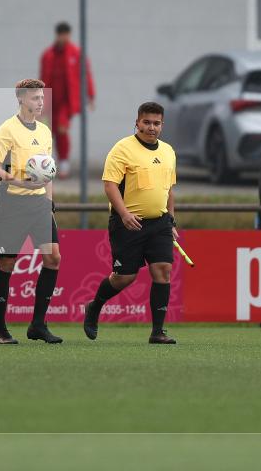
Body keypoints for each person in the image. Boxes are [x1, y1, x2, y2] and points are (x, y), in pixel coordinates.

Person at [83, 101, 179, 345]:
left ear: (162, 125)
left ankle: (158, 331)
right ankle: (95, 306)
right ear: (137, 122)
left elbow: (169, 190)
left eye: (156, 123)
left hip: (160, 224)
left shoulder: (168, 151)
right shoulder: (122, 149)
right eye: (146, 122)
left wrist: (171, 219)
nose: (151, 127)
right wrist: (124, 214)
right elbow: (110, 185)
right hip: (128, 223)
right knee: (125, 277)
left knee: (163, 271)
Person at [0, 79, 63, 345]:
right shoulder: (6, 131)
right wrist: (17, 181)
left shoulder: (44, 131)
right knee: (7, 263)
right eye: (34, 98)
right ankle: (0, 329)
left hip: (39, 205)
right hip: (13, 204)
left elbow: (48, 172)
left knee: (53, 258)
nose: (40, 102)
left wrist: (49, 203)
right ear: (21, 99)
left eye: (42, 97)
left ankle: (38, 325)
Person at [39, 22, 95, 179]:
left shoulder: (76, 53)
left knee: (62, 128)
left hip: (67, 101)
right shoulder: (48, 55)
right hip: (50, 100)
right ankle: (48, 164)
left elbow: (86, 75)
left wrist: (90, 96)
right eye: (61, 34)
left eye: (66, 35)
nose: (63, 38)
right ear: (57, 35)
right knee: (48, 132)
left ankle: (64, 162)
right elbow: (42, 77)